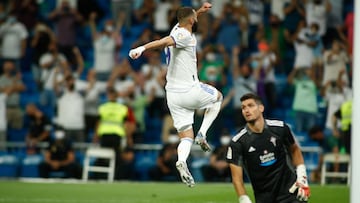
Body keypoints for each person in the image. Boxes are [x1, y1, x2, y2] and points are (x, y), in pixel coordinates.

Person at [129, 2, 223, 187]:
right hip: (189, 89)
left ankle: (181, 160)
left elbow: (184, 22)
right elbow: (165, 41)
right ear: (191, 20)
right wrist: (143, 48)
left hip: (172, 95)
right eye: (195, 18)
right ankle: (203, 133)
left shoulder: (177, 27)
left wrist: (200, 11)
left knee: (186, 136)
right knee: (218, 97)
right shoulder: (184, 35)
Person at [226, 93, 310, 203]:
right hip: (264, 197)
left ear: (261, 108)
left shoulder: (280, 128)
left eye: (250, 105)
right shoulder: (238, 142)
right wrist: (244, 199)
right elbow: (237, 179)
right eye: (243, 107)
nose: (246, 110)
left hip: (290, 192)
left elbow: (294, 149)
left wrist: (302, 177)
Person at [93, 87, 131, 180]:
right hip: (115, 135)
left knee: (103, 157)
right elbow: (125, 124)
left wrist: (96, 135)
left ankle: (100, 177)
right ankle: (116, 178)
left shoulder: (103, 108)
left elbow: (99, 122)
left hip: (106, 135)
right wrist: (128, 137)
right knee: (117, 157)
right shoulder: (123, 108)